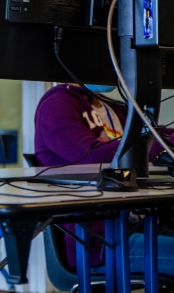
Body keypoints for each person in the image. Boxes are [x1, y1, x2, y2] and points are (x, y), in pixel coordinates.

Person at [34, 82, 174, 275]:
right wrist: (154, 146)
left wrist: (160, 142)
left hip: (133, 226)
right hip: (94, 243)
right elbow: (95, 155)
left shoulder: (112, 108)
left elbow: (156, 134)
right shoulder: (57, 105)